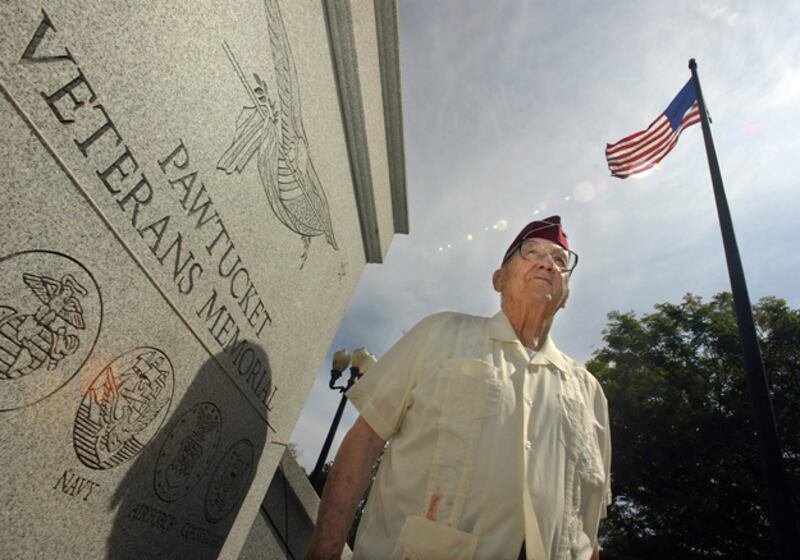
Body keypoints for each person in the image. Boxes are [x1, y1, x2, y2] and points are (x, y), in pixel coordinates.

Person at [307, 216, 611, 560]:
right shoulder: (441, 334)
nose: (547, 263)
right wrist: (325, 551)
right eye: (531, 252)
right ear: (499, 279)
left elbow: (589, 528)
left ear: (566, 294)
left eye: (560, 261)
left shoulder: (590, 393)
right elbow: (364, 442)